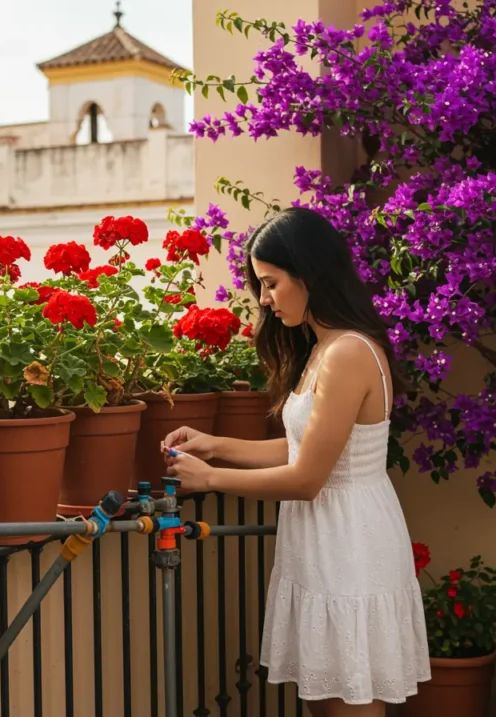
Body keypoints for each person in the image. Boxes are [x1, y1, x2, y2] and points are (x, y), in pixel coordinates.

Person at [161, 207, 430, 717]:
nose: (263, 299)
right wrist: (214, 444)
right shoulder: (324, 348)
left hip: (349, 544)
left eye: (271, 283)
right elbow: (301, 449)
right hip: (326, 540)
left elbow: (307, 478)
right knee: (324, 702)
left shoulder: (347, 353)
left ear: (308, 274)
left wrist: (210, 478)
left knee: (348, 702)